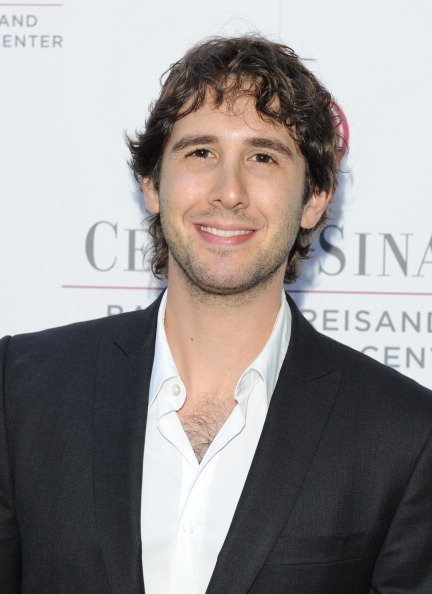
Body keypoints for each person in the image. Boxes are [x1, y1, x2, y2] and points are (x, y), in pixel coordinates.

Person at [1, 35, 431, 594]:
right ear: (152, 184)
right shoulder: (22, 390)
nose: (229, 192)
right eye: (201, 151)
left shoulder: (403, 435)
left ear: (314, 198)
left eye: (263, 156)